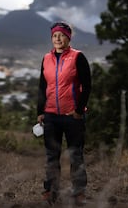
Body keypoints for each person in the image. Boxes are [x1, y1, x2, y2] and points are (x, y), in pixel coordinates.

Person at [37, 21, 91, 206]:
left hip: (72, 116)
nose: (57, 39)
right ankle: (50, 192)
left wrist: (78, 110)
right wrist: (41, 111)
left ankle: (79, 193)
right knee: (52, 156)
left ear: (68, 37)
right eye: (54, 35)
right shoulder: (46, 58)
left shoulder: (78, 57)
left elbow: (87, 86)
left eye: (61, 35)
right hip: (51, 115)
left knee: (76, 155)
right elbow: (43, 86)